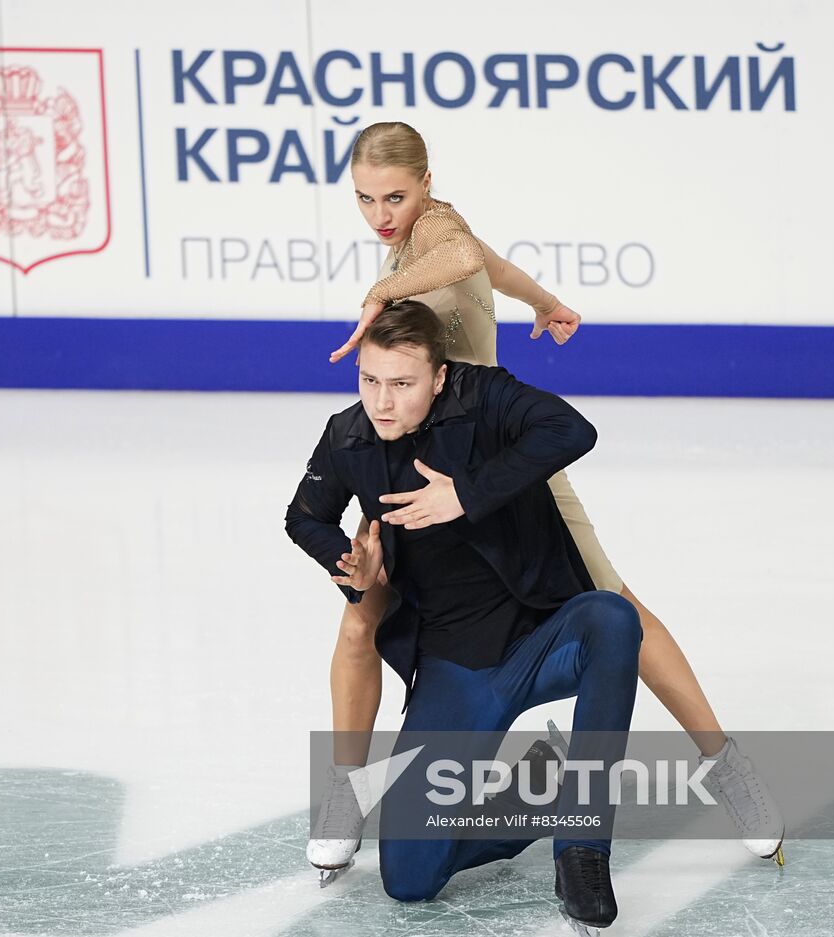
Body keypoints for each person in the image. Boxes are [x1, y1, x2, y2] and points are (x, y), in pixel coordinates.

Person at [305, 122, 783, 879]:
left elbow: (463, 254)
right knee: (362, 609)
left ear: (427, 184)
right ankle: (344, 790)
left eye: (394, 195)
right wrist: (545, 299)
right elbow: (484, 263)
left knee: (614, 600)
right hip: (417, 458)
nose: (380, 214)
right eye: (365, 199)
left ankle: (725, 763)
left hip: (500, 463)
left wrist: (382, 289)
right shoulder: (418, 233)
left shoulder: (435, 227)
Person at [285, 301, 639, 930]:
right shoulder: (349, 435)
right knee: (410, 881)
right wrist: (349, 562)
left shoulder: (485, 397)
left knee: (612, 618)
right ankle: (540, 797)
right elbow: (303, 516)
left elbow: (572, 431)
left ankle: (582, 844)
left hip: (541, 639)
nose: (383, 402)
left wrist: (466, 492)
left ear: (439, 376)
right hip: (455, 666)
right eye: (370, 381)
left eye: (402, 384)